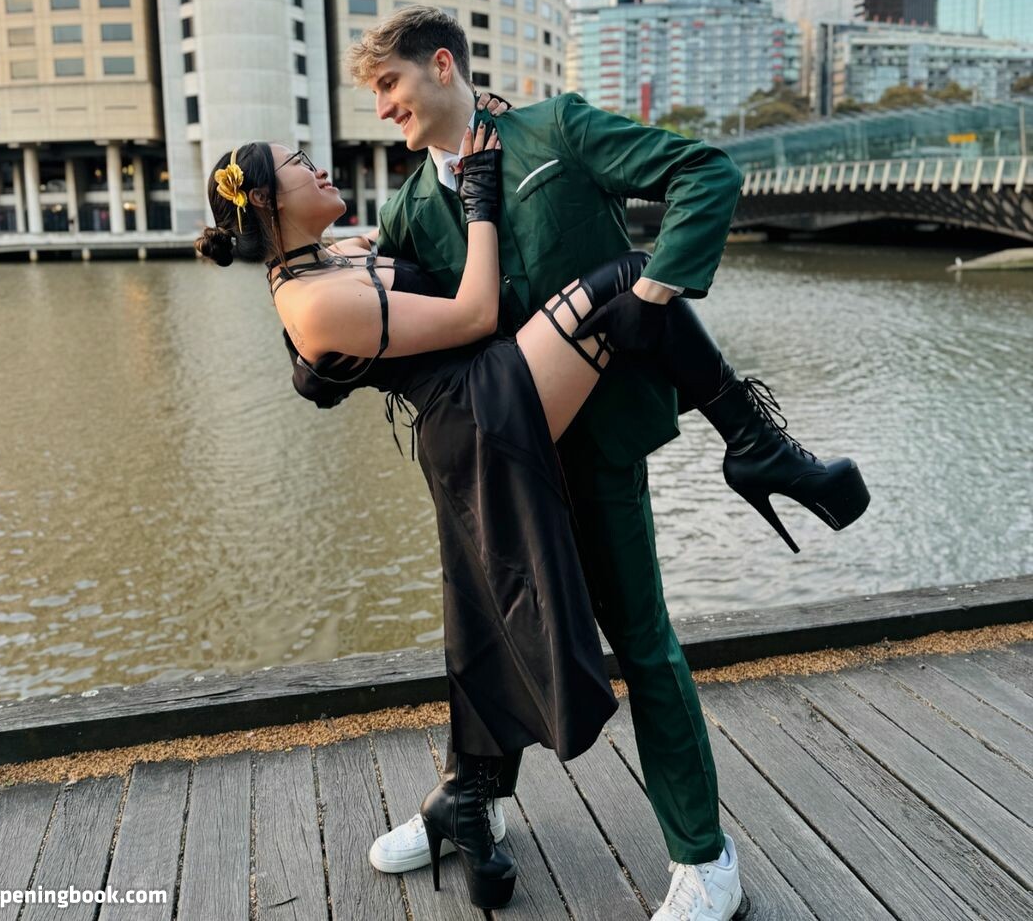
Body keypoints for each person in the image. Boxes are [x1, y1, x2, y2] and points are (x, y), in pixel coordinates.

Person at [194, 114, 866, 919]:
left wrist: (321, 365)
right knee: (629, 281)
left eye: (389, 90)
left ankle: (472, 797)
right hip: (481, 412)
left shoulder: (340, 251)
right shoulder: (320, 288)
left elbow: (348, 339)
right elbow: (475, 313)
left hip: (496, 405)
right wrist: (480, 197)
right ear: (268, 201)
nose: (323, 163)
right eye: (300, 163)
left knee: (494, 626)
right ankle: (755, 443)